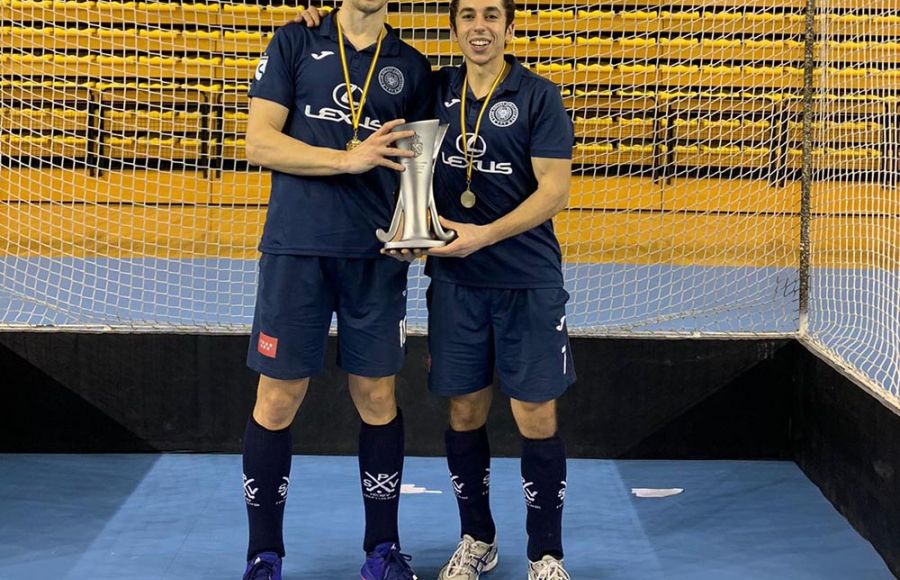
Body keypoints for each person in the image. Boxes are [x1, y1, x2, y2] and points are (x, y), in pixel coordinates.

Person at [240, 0, 432, 577]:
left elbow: (418, 167)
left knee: (377, 398)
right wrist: (347, 161)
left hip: (374, 255)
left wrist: (416, 229)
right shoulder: (294, 42)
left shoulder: (413, 67)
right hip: (296, 249)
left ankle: (382, 550)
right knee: (276, 401)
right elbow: (259, 143)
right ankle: (263, 555)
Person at [424, 0, 576, 577]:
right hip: (456, 284)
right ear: (455, 27)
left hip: (527, 281)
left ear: (510, 28)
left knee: (535, 412)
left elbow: (554, 190)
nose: (479, 27)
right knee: (464, 411)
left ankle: (545, 554)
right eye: (468, 16)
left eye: (492, 15)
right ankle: (478, 540)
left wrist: (483, 235)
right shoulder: (433, 90)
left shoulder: (539, 95)